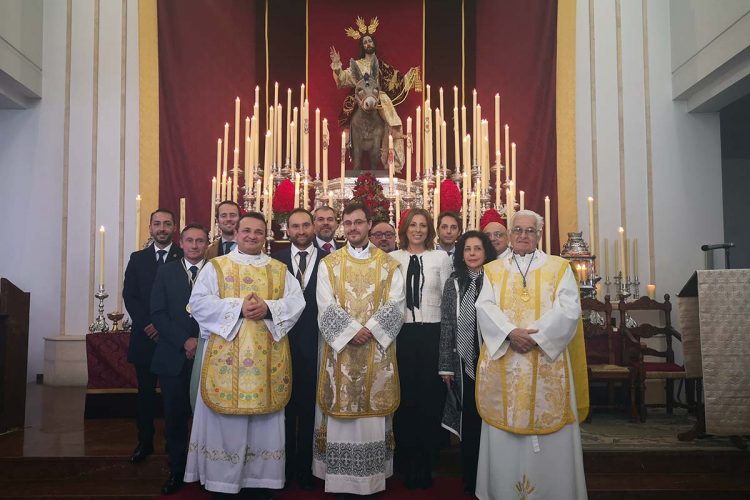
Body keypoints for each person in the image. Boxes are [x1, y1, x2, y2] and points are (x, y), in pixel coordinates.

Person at [184, 212, 305, 499]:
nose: (252, 236)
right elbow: (197, 303)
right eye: (247, 230)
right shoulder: (216, 267)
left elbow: (296, 302)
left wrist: (270, 309)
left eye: (259, 232)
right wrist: (238, 308)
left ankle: (261, 481)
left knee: (265, 425)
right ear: (236, 233)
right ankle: (222, 483)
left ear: (266, 237)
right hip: (225, 361)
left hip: (266, 363)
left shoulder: (278, 269)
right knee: (226, 425)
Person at [474, 210, 589, 500]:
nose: (523, 235)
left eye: (530, 231)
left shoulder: (559, 267)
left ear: (539, 235)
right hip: (506, 363)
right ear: (510, 234)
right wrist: (511, 333)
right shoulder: (493, 270)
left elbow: (569, 310)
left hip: (546, 362)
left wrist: (533, 337)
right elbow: (484, 307)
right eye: (517, 230)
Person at [313, 202, 406, 496]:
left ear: (368, 225)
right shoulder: (329, 264)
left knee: (373, 417)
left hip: (376, 351)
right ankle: (340, 482)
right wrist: (352, 332)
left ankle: (372, 480)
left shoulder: (390, 265)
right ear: (344, 226)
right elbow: (324, 303)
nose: (353, 227)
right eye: (348, 223)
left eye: (358, 222)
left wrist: (370, 330)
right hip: (339, 354)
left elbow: (396, 303)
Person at [390, 208, 452, 489]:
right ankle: (405, 460)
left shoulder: (440, 257)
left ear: (430, 230)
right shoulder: (393, 258)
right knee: (405, 397)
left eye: (423, 225)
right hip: (402, 333)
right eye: (413, 225)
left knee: (429, 398)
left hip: (432, 331)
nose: (418, 230)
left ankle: (426, 461)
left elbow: (449, 299)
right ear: (405, 229)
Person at [271, 208, 328, 490]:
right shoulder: (274, 261)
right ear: (287, 230)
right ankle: (282, 466)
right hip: (281, 345)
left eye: (306, 225)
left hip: (318, 344)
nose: (302, 231)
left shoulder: (331, 261)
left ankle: (307, 466)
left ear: (315, 226)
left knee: (310, 409)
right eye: (295, 226)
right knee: (283, 409)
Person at [150, 223, 208, 495]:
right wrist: (185, 341)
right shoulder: (166, 272)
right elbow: (158, 313)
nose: (195, 246)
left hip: (210, 354)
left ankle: (207, 469)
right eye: (190, 241)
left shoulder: (217, 271)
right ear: (181, 243)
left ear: (207, 244)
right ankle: (176, 470)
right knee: (174, 416)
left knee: (207, 416)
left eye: (200, 241)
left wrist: (201, 340)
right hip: (173, 355)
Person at [438, 231, 497, 495]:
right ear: (461, 254)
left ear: (486, 253)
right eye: (468, 249)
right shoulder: (454, 283)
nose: (472, 254)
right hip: (463, 362)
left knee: (491, 419)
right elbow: (448, 325)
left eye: (478, 249)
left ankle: (493, 475)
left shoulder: (496, 280)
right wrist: (446, 365)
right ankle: (471, 477)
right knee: (470, 420)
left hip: (492, 359)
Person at [123, 208, 183, 464]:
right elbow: (131, 296)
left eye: (167, 224)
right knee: (145, 394)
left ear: (174, 228)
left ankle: (174, 442)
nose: (162, 228)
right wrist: (148, 324)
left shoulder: (184, 256)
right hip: (145, 338)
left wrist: (167, 328)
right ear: (150, 228)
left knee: (174, 396)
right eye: (157, 224)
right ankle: (144, 442)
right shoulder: (137, 259)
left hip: (173, 340)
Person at [329, 18, 420, 172]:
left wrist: (410, 75)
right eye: (364, 43)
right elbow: (343, 80)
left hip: (380, 98)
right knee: (353, 115)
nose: (367, 44)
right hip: (362, 98)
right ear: (362, 46)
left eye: (369, 41)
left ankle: (393, 149)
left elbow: (395, 80)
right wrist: (337, 66)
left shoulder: (381, 66)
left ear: (373, 44)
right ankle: (350, 138)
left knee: (394, 120)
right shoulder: (357, 65)